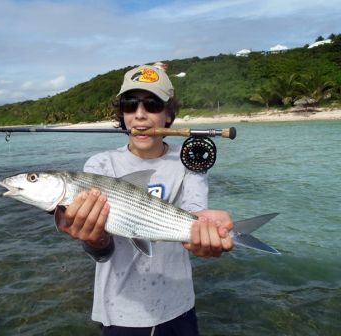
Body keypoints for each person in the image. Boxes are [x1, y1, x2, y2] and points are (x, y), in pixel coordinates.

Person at [56, 64, 234, 336]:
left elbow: (197, 217)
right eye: (130, 105)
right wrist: (93, 239)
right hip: (119, 311)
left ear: (168, 114)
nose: (140, 115)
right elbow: (101, 251)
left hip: (179, 307)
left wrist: (207, 232)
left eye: (152, 105)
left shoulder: (190, 163)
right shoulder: (101, 165)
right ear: (122, 113)